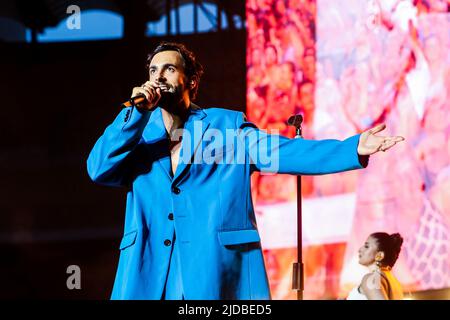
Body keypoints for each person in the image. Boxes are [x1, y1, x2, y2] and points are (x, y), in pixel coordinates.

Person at [86, 41, 405, 300]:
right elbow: (98, 168)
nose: (159, 77)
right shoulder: (135, 135)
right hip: (150, 272)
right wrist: (136, 113)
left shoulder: (225, 128)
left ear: (191, 80)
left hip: (214, 271)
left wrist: (351, 148)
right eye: (154, 70)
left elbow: (285, 152)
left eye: (169, 68)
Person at [347, 233, 404, 300]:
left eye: (366, 246)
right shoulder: (395, 283)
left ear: (379, 255)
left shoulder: (372, 278)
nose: (360, 249)